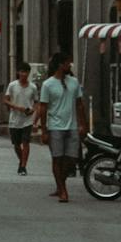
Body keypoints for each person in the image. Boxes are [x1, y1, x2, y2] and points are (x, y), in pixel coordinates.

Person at [35, 53, 89, 202]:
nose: (69, 65)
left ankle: (60, 183)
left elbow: (79, 104)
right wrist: (44, 130)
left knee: (71, 159)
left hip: (72, 126)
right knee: (57, 158)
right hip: (55, 126)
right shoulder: (48, 84)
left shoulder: (74, 82)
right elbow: (43, 107)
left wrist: (83, 124)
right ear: (60, 65)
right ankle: (62, 189)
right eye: (67, 63)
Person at [3, 63, 37, 175]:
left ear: (28, 73)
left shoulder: (33, 87)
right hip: (15, 119)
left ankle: (23, 166)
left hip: (27, 120)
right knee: (16, 144)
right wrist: (17, 107)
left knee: (26, 142)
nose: (24, 74)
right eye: (22, 72)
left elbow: (36, 102)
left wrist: (33, 110)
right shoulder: (12, 85)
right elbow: (6, 100)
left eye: (26, 72)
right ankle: (21, 160)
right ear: (18, 72)